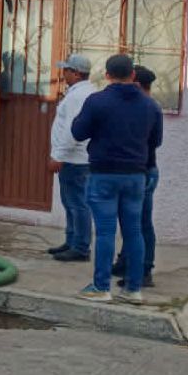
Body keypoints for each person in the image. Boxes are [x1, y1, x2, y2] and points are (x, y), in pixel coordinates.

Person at [72, 54, 163, 304]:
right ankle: (133, 289)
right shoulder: (150, 105)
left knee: (105, 232)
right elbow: (156, 141)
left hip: (104, 174)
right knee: (134, 232)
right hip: (136, 175)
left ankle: (101, 287)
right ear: (132, 75)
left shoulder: (97, 101)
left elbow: (78, 132)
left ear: (107, 75)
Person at [115, 65, 162, 287]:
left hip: (143, 171)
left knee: (141, 222)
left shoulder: (148, 107)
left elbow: (155, 142)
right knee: (130, 220)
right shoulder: (148, 106)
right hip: (142, 169)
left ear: (136, 84)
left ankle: (144, 269)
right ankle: (126, 260)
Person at [47, 54, 97, 262]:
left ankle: (80, 247)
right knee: (70, 203)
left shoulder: (79, 96)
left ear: (76, 73)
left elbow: (72, 129)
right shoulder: (81, 92)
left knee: (78, 204)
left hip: (74, 159)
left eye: (66, 70)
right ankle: (72, 241)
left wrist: (59, 155)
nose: (63, 73)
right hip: (74, 158)